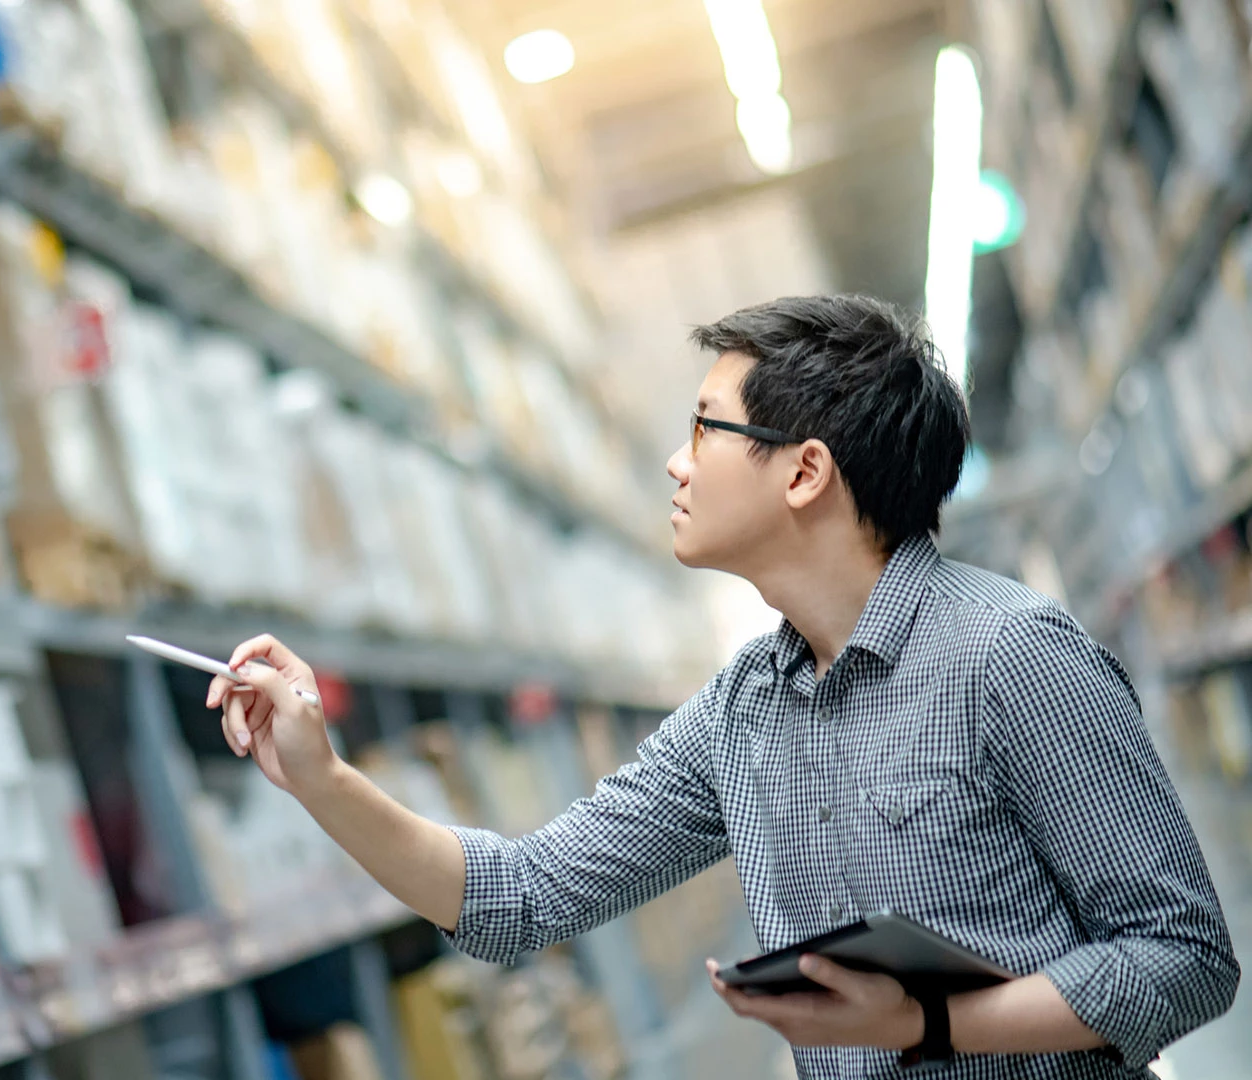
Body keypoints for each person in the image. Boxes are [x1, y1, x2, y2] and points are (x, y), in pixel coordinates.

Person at [205, 295, 1239, 1078]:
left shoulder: (1013, 658)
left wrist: (929, 1024)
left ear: (804, 473)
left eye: (705, 428)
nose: (675, 462)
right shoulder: (743, 710)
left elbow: (1185, 956)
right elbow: (520, 899)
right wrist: (322, 777)